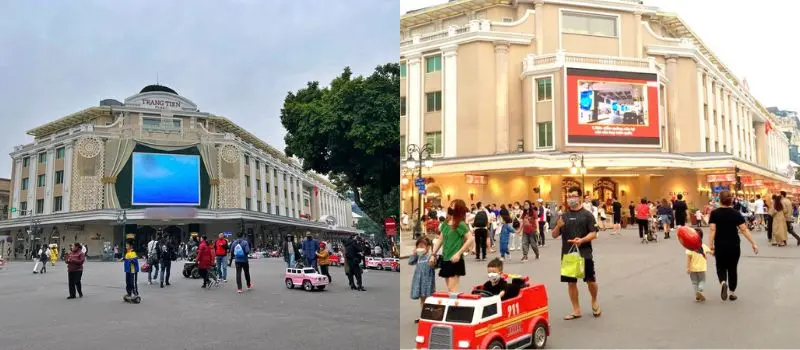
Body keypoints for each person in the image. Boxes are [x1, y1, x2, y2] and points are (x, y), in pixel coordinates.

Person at [553, 186, 600, 320]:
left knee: (590, 281)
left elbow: (594, 233)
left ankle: (594, 299)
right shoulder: (564, 216)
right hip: (568, 253)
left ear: (579, 197)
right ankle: (576, 310)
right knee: (571, 283)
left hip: (584, 252)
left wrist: (583, 240)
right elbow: (554, 234)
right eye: (569, 196)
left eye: (573, 196)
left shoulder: (587, 215)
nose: (571, 198)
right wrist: (558, 226)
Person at [709, 190, 759, 302]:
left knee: (720, 266)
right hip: (734, 245)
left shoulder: (714, 213)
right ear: (731, 200)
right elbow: (744, 229)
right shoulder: (736, 213)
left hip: (720, 244)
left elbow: (712, 230)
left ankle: (723, 282)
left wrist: (710, 246)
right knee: (732, 268)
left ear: (719, 199)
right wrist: (753, 243)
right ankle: (732, 293)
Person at [430, 199, 475, 293]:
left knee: (452, 290)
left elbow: (471, 238)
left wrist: (459, 254)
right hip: (445, 258)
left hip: (455, 259)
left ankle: (455, 306)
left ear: (458, 209)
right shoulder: (446, 223)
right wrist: (433, 254)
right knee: (450, 290)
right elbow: (440, 240)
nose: (450, 207)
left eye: (453, 205)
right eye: (450, 205)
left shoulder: (460, 224)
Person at [409, 238, 435, 324]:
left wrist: (433, 258)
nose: (420, 248)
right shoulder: (419, 256)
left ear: (428, 247)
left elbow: (434, 265)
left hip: (427, 280)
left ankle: (429, 316)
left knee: (428, 299)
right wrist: (414, 253)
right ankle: (424, 316)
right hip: (419, 279)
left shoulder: (430, 256)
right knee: (422, 299)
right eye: (418, 246)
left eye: (422, 246)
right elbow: (410, 262)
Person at [686, 228, 711, 302]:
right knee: (702, 280)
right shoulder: (704, 246)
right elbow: (708, 254)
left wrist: (688, 267)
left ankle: (697, 295)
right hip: (701, 268)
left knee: (694, 282)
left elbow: (688, 258)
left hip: (692, 269)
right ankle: (700, 290)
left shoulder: (690, 247)